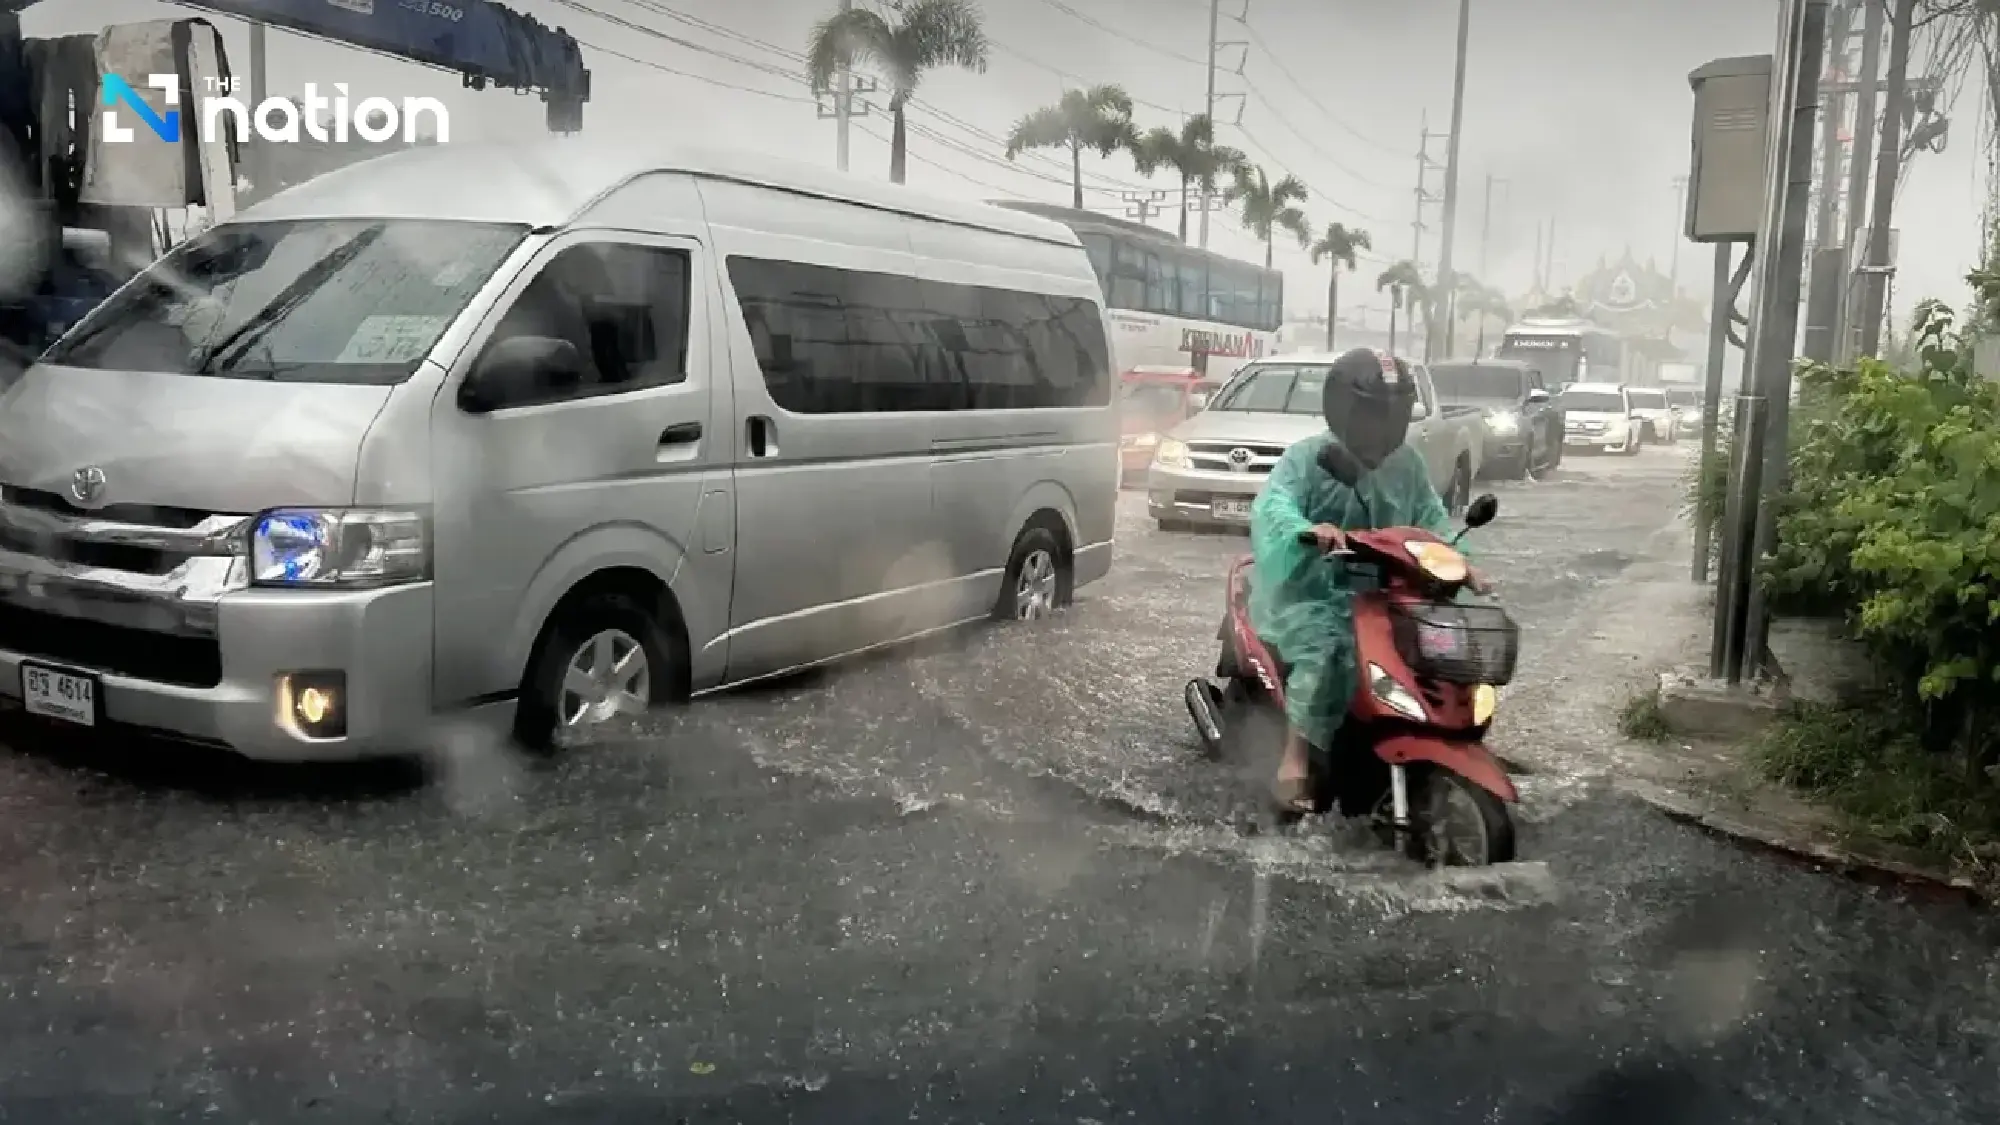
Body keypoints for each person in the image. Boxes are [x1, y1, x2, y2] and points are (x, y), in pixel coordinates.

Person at [1246, 348, 1487, 813]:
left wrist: (1463, 559)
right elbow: (1276, 506)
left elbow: (1432, 519)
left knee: (1440, 650)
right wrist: (1308, 531)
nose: (1383, 426)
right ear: (1346, 410)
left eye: (1392, 414)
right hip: (1312, 592)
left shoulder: (1407, 464)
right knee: (1327, 650)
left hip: (1387, 595)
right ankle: (1295, 758)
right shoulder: (1308, 459)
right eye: (1374, 413)